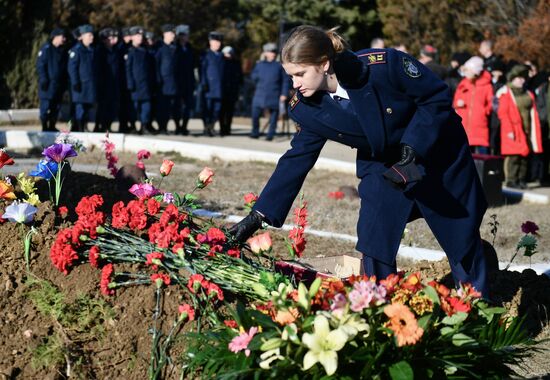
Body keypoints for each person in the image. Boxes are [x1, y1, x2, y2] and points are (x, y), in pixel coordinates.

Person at [229, 25, 489, 297]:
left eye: (300, 74)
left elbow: (435, 97)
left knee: (459, 235)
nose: (295, 84)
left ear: (324, 63)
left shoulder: (383, 66)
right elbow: (295, 160)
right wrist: (257, 216)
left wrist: (414, 145)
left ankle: (476, 303)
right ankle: (381, 302)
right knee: (374, 231)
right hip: (384, 162)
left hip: (437, 151)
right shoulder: (307, 108)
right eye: (290, 76)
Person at [497, 64, 544, 189]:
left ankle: (521, 180)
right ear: (512, 78)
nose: (521, 80)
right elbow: (503, 114)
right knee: (513, 156)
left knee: (524, 156)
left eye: (523, 78)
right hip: (513, 130)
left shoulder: (528, 93)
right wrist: (509, 131)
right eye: (519, 78)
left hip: (527, 129)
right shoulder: (506, 93)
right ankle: (511, 180)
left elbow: (533, 111)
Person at [453, 56, 494, 154]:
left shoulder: (487, 86)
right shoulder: (463, 83)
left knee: (482, 157)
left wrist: (483, 112)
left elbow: (491, 104)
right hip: (464, 125)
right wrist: (457, 104)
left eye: (468, 70)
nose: (465, 73)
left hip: (480, 126)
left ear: (475, 72)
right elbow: (455, 100)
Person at [250, 42, 290, 140]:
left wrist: (284, 93)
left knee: (274, 116)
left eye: (274, 52)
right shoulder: (259, 65)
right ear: (265, 53)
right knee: (255, 114)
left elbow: (285, 81)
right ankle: (255, 132)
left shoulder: (279, 66)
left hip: (274, 93)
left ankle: (270, 134)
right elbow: (253, 77)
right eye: (270, 52)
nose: (272, 54)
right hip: (260, 93)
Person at [125, 26, 157, 135]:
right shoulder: (130, 51)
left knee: (146, 107)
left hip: (145, 84)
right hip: (135, 84)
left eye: (141, 36)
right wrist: (130, 83)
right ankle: (133, 126)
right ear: (132, 37)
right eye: (137, 36)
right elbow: (128, 69)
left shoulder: (145, 51)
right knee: (134, 107)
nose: (140, 38)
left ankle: (144, 126)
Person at [36, 28, 68, 132]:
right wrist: (44, 78)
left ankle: (52, 125)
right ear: (56, 37)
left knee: (56, 107)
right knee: (45, 106)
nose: (64, 39)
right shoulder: (46, 49)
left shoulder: (62, 50)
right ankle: (44, 126)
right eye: (62, 37)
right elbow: (41, 65)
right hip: (47, 84)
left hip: (58, 85)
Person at [67, 24, 97, 132]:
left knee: (88, 108)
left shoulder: (91, 50)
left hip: (89, 85)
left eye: (92, 35)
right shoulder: (76, 50)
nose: (92, 37)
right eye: (89, 35)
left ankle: (84, 126)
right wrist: (75, 82)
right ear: (82, 36)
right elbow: (72, 68)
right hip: (80, 85)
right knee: (80, 108)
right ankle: (79, 128)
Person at [155, 24, 182, 134]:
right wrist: (158, 80)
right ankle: (162, 127)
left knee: (176, 107)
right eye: (171, 33)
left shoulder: (175, 48)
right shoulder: (160, 48)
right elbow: (156, 66)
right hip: (163, 84)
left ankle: (177, 126)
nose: (173, 36)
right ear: (164, 34)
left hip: (174, 83)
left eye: (173, 34)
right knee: (163, 108)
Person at [95, 27, 122, 132]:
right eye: (111, 38)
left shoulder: (115, 50)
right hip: (103, 83)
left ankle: (108, 125)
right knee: (102, 106)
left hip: (114, 83)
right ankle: (99, 125)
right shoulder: (100, 51)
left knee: (112, 106)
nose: (113, 40)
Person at [200, 31, 225, 136]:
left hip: (219, 87)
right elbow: (202, 70)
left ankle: (212, 126)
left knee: (217, 109)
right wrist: (204, 83)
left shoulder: (221, 55)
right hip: (209, 87)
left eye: (219, 42)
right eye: (215, 42)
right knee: (207, 109)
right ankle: (207, 127)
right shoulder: (206, 54)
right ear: (210, 42)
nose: (217, 44)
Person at [175, 24, 195, 135]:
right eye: (182, 35)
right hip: (178, 82)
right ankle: (178, 126)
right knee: (177, 106)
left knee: (188, 106)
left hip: (188, 82)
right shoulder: (175, 48)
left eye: (186, 35)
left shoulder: (190, 48)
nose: (185, 37)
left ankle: (184, 126)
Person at [219, 46, 242, 136]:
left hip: (232, 91)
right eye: (226, 54)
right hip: (222, 91)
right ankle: (222, 129)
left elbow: (239, 77)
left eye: (230, 53)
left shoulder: (236, 63)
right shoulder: (221, 63)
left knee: (230, 112)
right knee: (222, 111)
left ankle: (227, 129)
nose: (228, 55)